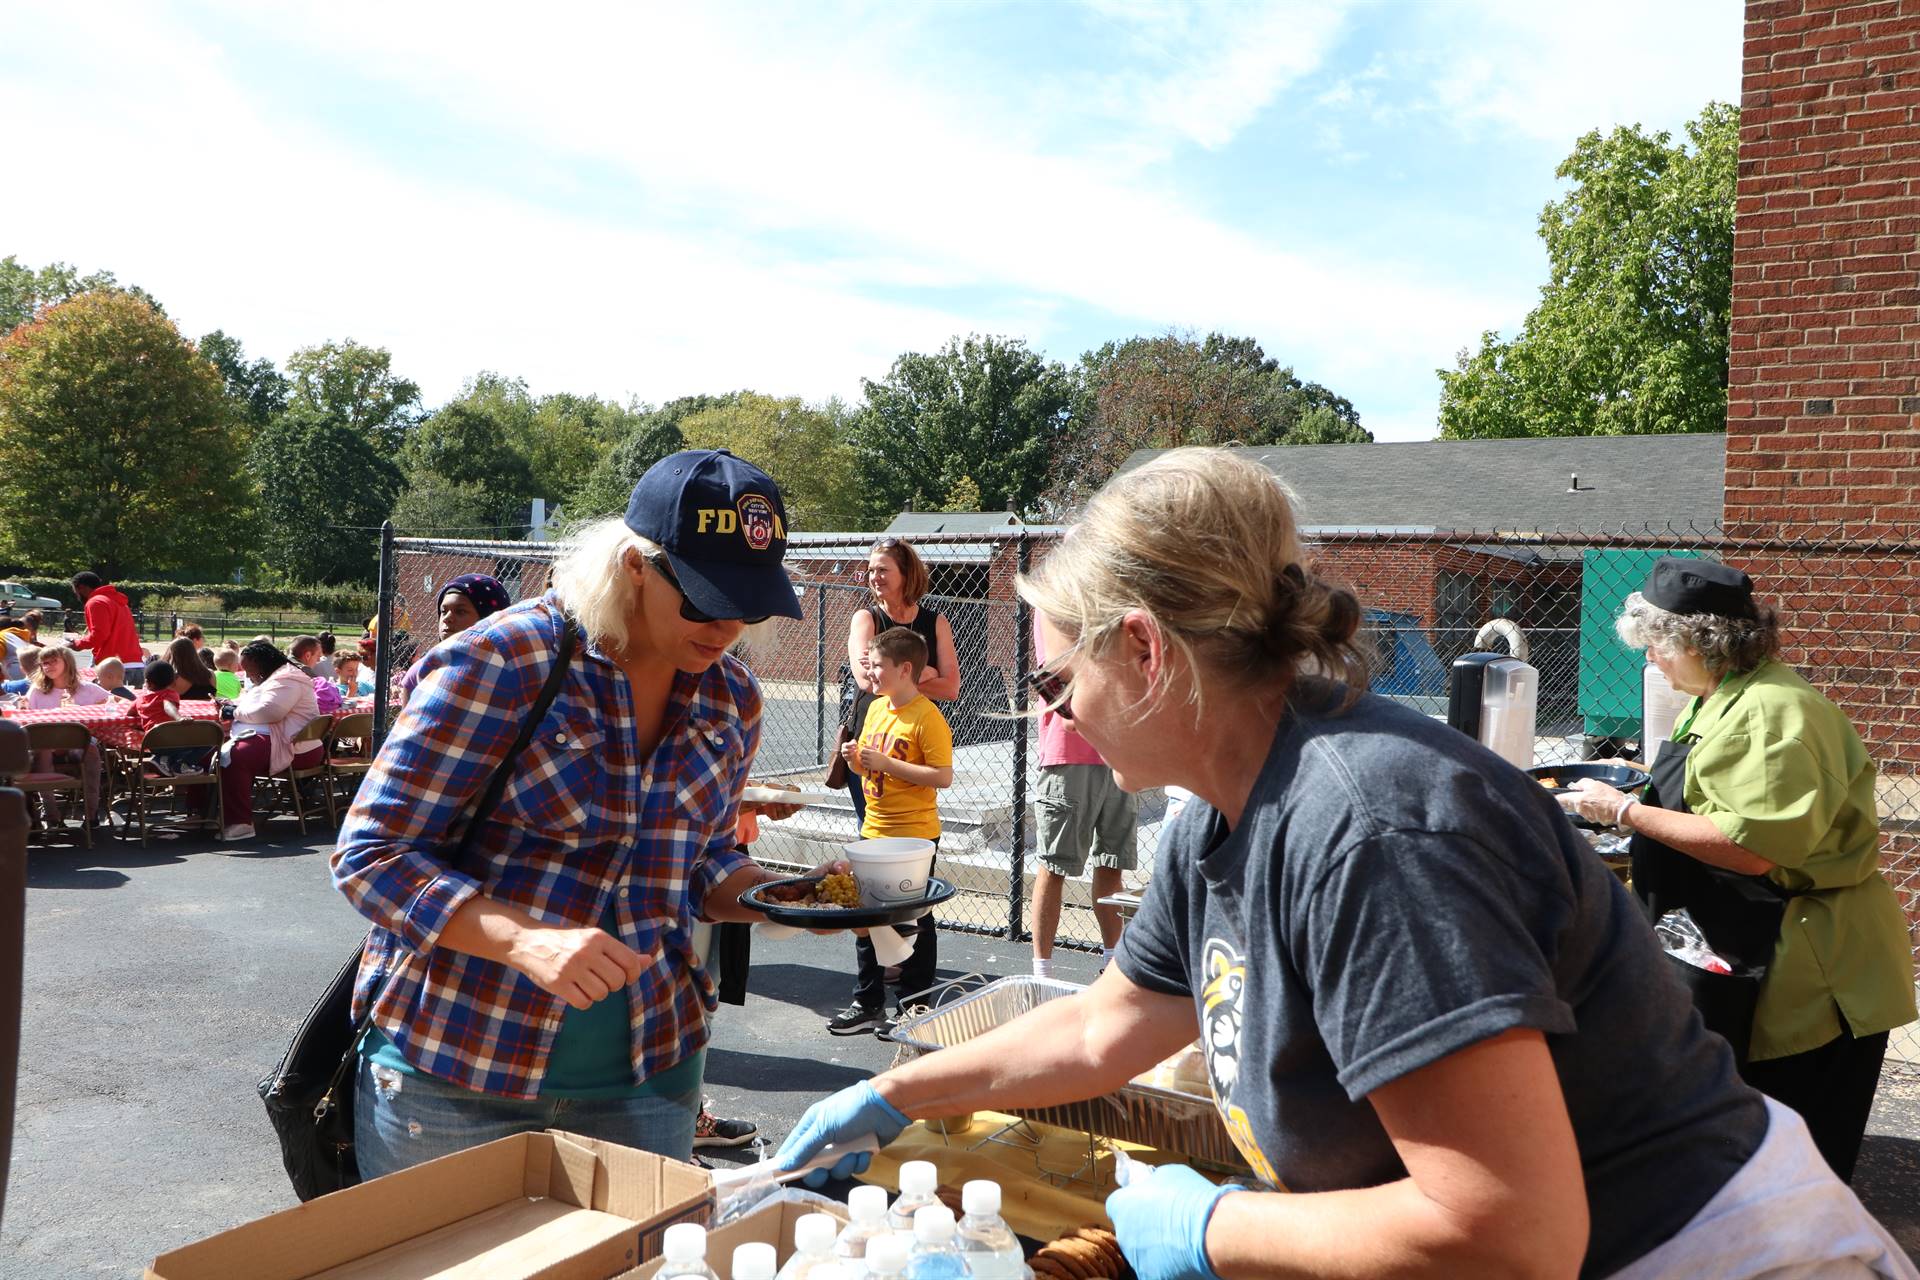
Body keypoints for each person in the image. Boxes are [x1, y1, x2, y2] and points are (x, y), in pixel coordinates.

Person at [774, 449, 1916, 1280]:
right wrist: (893, 1091)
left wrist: (1210, 1228)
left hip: (1702, 1254)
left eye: (1055, 679)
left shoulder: (1375, 830)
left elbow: (1511, 1235)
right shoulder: (1215, 817)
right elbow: (1101, 1027)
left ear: (1143, 648)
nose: (1058, 710)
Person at [332, 449, 835, 1177]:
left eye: (749, 601)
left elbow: (698, 863)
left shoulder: (732, 699)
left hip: (651, 1074)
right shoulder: (506, 662)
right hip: (456, 1071)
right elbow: (370, 855)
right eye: (703, 595)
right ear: (636, 564)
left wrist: (779, 897)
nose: (727, 624)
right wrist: (522, 940)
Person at [1562, 557, 1916, 1186]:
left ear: (1697, 643)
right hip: (1747, 942)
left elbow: (1752, 846)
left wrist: (1624, 813)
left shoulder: (1770, 713)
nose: (1652, 664)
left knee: (1793, 1157)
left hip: (1809, 967)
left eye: (1655, 649)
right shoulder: (1722, 696)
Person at [829, 626, 954, 1036]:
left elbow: (942, 776)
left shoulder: (927, 716)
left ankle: (915, 1006)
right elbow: (870, 765)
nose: (871, 672)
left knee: (913, 918)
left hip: (913, 836)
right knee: (867, 917)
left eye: (878, 665)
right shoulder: (878, 707)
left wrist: (883, 764)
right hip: (875, 828)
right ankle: (868, 1002)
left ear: (904, 669)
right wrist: (856, 760)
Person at [1030, 618, 1137, 978]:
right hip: (1069, 756)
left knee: (1112, 863)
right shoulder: (1055, 603)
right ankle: (1041, 973)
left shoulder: (1116, 598)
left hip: (1118, 751)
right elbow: (1055, 672)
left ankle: (1112, 964)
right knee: (1055, 864)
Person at [839, 538, 961, 827]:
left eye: (882, 570)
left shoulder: (935, 622)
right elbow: (867, 680)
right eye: (870, 570)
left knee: (910, 821)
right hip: (873, 736)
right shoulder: (867, 618)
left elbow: (951, 687)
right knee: (872, 825)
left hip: (913, 740)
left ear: (906, 573)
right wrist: (925, 673)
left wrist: (899, 677)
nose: (874, 577)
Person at [213, 640, 322, 842]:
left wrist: (234, 712)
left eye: (249, 669)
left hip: (297, 747)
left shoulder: (288, 679)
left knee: (236, 756)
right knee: (209, 753)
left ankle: (240, 823)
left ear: (261, 663)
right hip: (280, 739)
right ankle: (204, 815)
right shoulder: (276, 676)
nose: (248, 675)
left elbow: (270, 711)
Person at [25, 644, 110, 826]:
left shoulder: (87, 689)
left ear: (67, 662)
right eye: (44, 663)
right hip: (46, 745)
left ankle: (92, 814)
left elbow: (116, 703)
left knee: (92, 750)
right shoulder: (37, 691)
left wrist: (93, 709)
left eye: (53, 661)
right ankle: (52, 815)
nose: (48, 666)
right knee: (42, 751)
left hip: (78, 746)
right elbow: (28, 720)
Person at [396, 575, 513, 706]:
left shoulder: (511, 670)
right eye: (443, 611)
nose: (447, 618)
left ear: (488, 617)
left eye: (460, 611)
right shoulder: (421, 672)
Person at [131, 660, 212, 777]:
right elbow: (168, 706)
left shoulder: (140, 699)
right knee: (208, 740)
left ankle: (163, 759)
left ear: (147, 682)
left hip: (152, 743)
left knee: (185, 739)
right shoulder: (169, 694)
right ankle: (183, 764)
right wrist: (178, 718)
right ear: (173, 681)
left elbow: (130, 712)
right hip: (170, 741)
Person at [66, 571, 145, 683]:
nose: (77, 596)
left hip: (112, 667)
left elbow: (99, 635)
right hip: (136, 665)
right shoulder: (119, 602)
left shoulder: (95, 602)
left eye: (76, 592)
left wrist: (77, 644)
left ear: (82, 587)